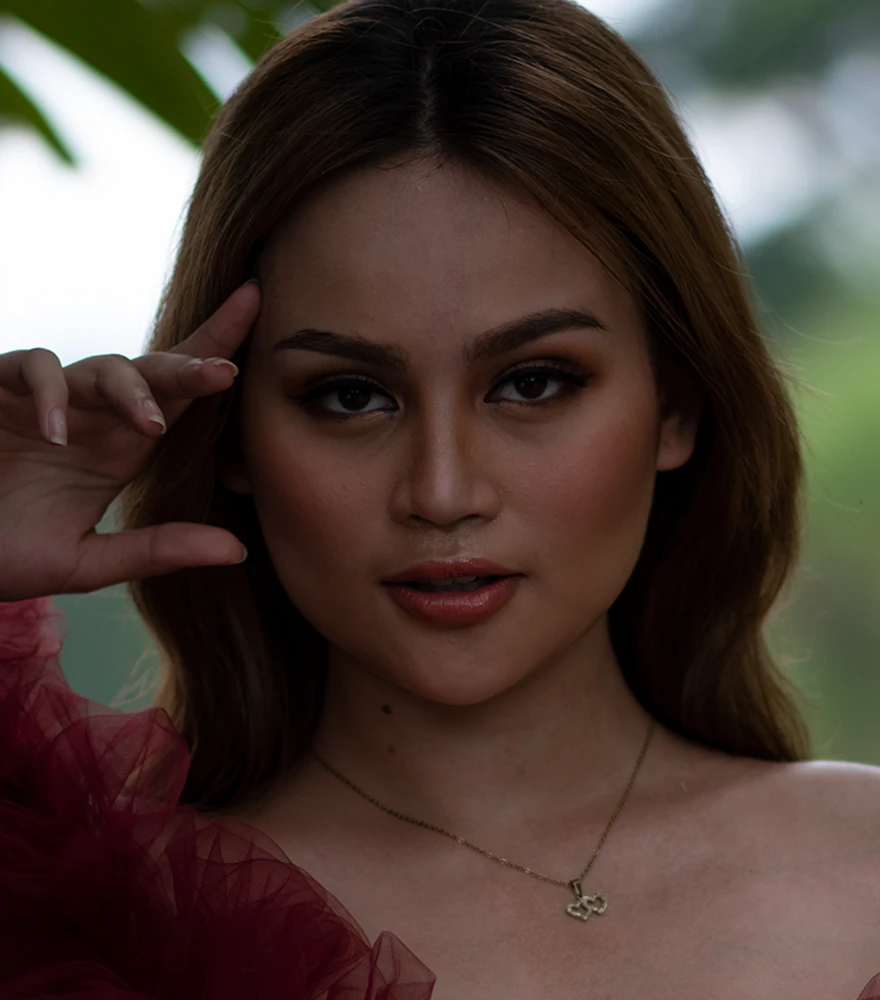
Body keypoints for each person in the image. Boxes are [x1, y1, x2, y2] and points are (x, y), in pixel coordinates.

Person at [2, 0, 880, 996]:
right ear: (233, 431)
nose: (442, 490)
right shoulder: (91, 923)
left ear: (674, 405)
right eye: (349, 396)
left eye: (534, 382)